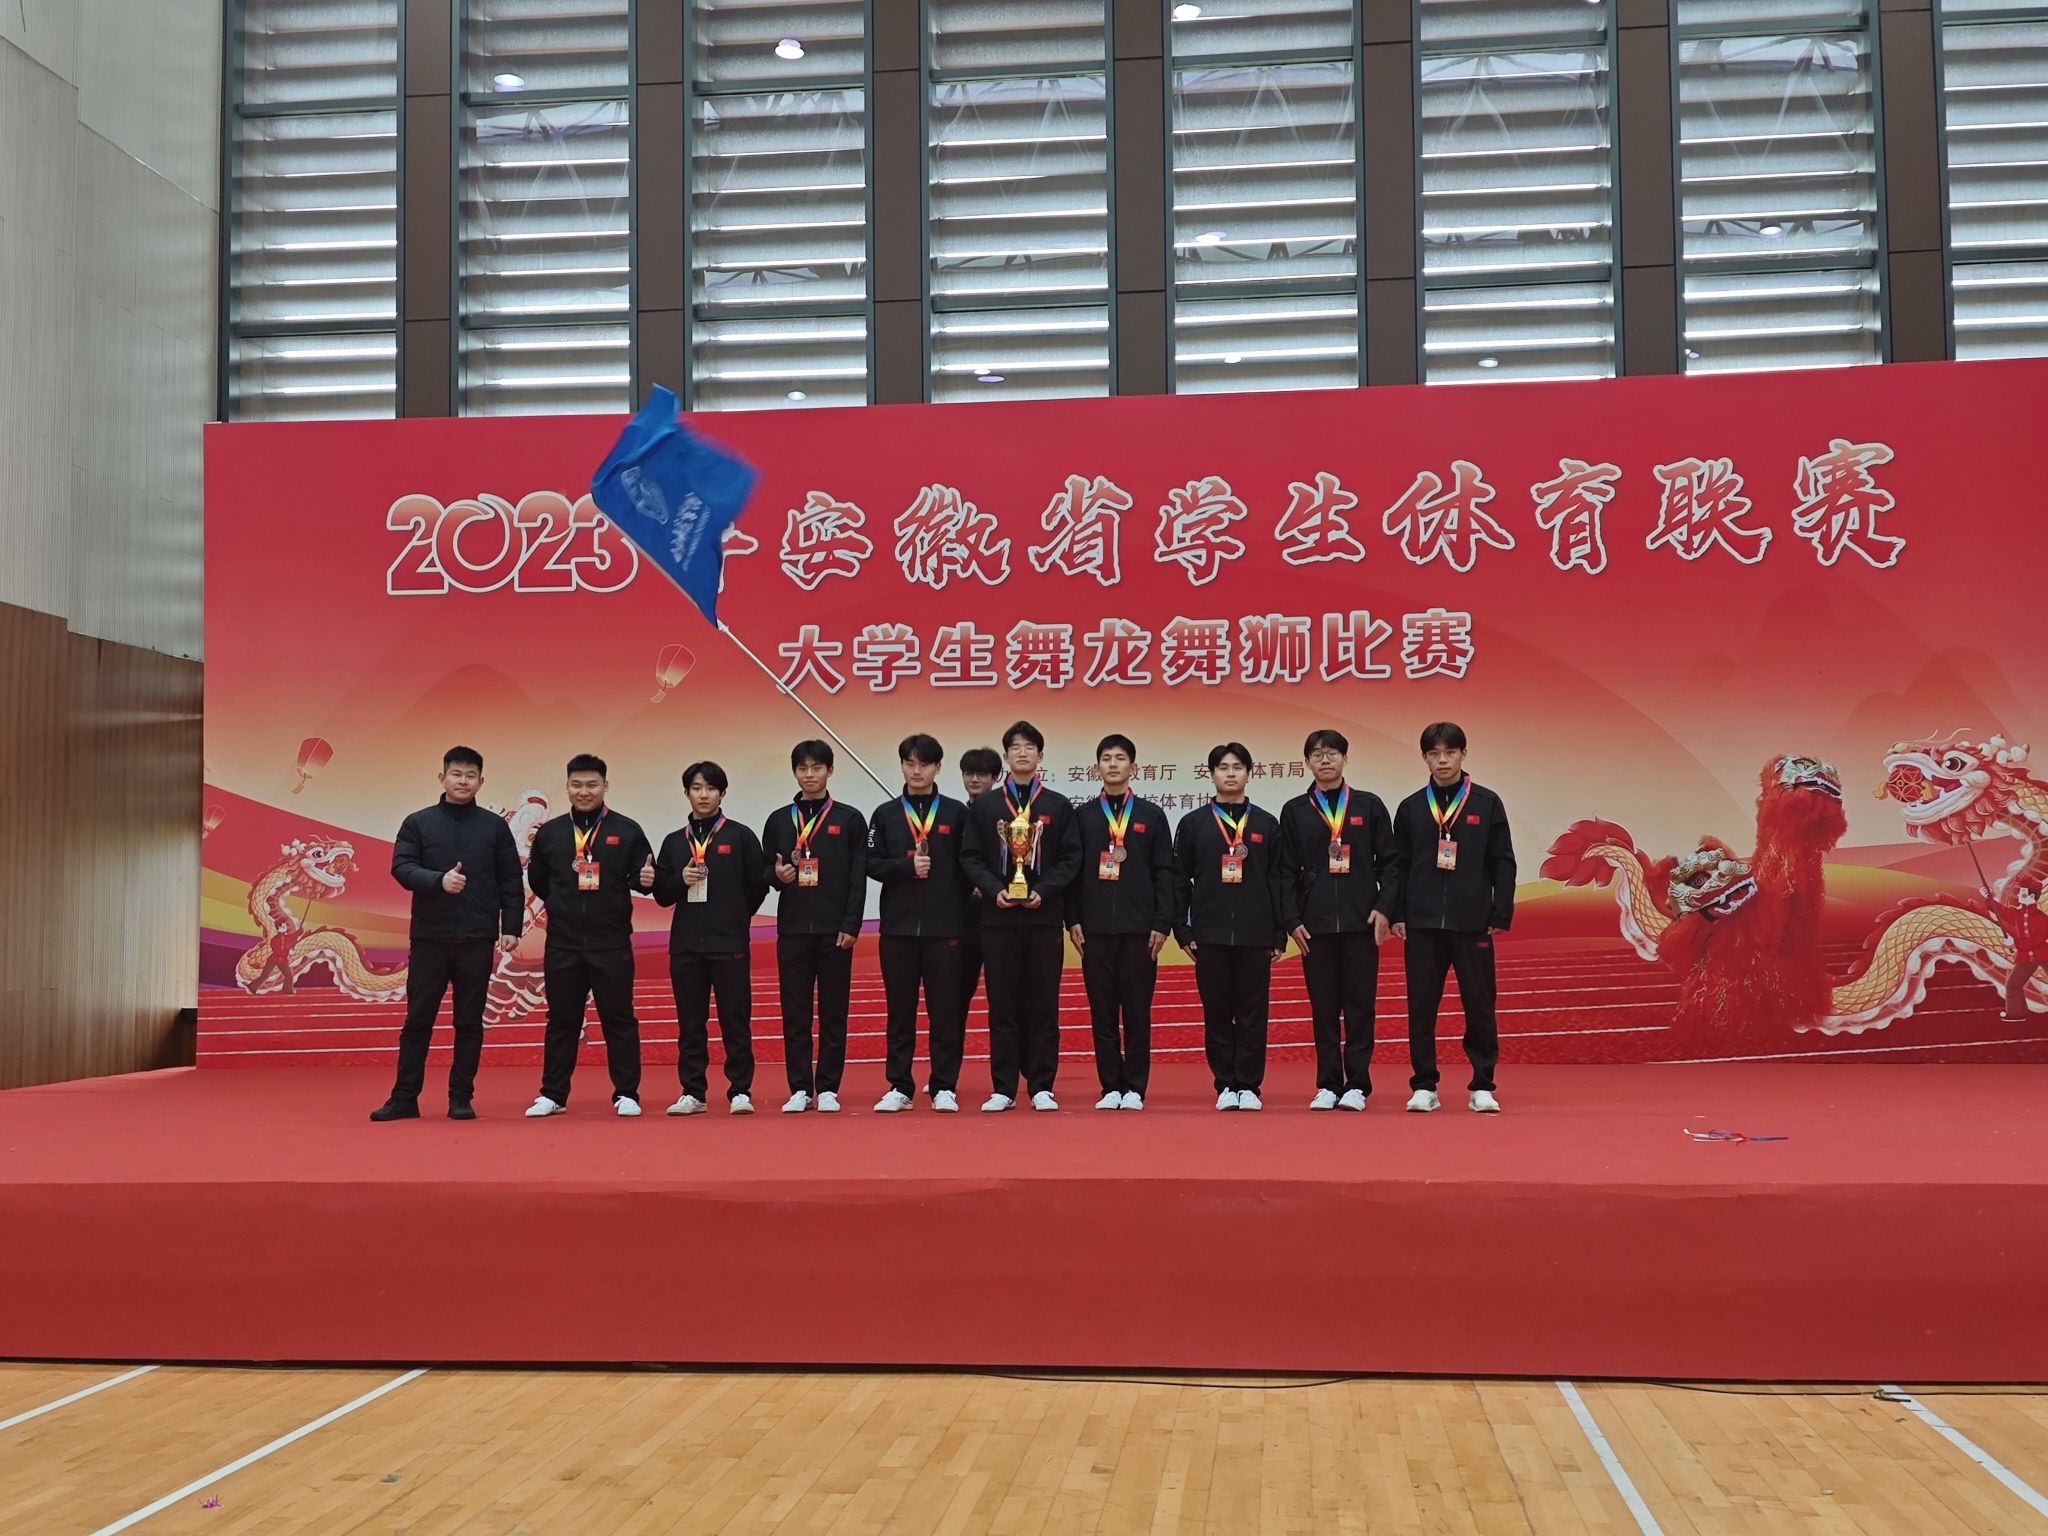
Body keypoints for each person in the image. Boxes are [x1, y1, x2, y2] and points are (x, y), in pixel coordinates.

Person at [371, 746, 523, 1121]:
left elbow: (510, 880)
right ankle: (404, 1097)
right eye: (456, 774)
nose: (463, 781)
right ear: (442, 778)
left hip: (476, 939)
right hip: (430, 938)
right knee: (418, 1020)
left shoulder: (494, 827)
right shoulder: (418, 823)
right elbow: (402, 867)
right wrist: (439, 880)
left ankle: (461, 1097)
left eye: (470, 776)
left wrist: (511, 927)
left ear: (481, 782)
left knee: (469, 1022)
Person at [1391, 722, 1516, 1114]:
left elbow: (1502, 861)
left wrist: (1500, 911)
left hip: (1472, 922)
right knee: (1421, 1007)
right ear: (1424, 757)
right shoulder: (1411, 808)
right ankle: (1424, 1085)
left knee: (1479, 1004)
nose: (1442, 760)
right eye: (1434, 753)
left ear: (1463, 754)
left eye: (1450, 752)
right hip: (1422, 924)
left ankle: (1482, 1085)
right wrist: (1397, 913)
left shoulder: (1486, 803)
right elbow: (1399, 866)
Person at [522, 754, 655, 1119]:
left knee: (619, 1018)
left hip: (611, 942)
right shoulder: (551, 833)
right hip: (563, 943)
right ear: (567, 787)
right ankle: (553, 1095)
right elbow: (539, 881)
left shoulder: (626, 830)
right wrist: (565, 906)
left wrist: (647, 880)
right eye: (577, 785)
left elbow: (643, 877)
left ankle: (626, 1093)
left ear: (605, 786)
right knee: (561, 1020)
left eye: (592, 784)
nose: (584, 791)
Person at [961, 720, 1083, 1112]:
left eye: (1030, 747)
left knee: (1044, 1003)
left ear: (1040, 756)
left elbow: (1071, 858)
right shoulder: (986, 807)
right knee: (1002, 1004)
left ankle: (1042, 1085)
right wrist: (993, 889)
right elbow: (970, 856)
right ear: (1006, 756)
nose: (1023, 753)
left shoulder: (1057, 806)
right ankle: (1004, 1087)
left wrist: (1042, 890)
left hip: (1043, 918)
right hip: (997, 919)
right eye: (1015, 747)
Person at [1281, 729, 1397, 1111]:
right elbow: (1285, 871)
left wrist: (1384, 907)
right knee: (1324, 1008)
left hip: (1361, 924)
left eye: (1332, 753)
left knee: (1360, 1007)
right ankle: (1328, 1084)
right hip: (1314, 927)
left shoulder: (1368, 806)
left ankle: (1357, 1085)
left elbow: (1391, 864)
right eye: (1317, 754)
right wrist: (1291, 919)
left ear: (1345, 759)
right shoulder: (1295, 811)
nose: (1325, 760)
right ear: (1307, 762)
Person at [1173, 743, 1293, 1111]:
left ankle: (1249, 1086)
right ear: (1211, 774)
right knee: (1217, 1012)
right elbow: (1179, 881)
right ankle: (1225, 1084)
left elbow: (1278, 880)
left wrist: (1279, 932)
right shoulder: (1193, 824)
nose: (1230, 773)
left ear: (1248, 774)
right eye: (1223, 767)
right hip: (1209, 935)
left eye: (1237, 767)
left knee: (1253, 1013)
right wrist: (1183, 930)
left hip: (1256, 935)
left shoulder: (1266, 824)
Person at [652, 762, 769, 1115]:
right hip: (685, 946)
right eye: (697, 788)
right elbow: (661, 894)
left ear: (722, 793)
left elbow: (758, 886)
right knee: (690, 1024)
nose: (704, 795)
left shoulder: (740, 836)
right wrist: (680, 880)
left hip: (729, 945)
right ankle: (693, 1092)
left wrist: (734, 917)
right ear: (686, 793)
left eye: (711, 788)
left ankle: (740, 1091)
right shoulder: (674, 842)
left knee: (735, 1021)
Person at [1066, 734, 1174, 1110]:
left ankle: (1135, 1088)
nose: (1113, 764)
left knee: (1137, 1012)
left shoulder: (1151, 815)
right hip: (1094, 931)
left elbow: (1165, 872)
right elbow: (1071, 873)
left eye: (1120, 758)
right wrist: (1072, 919)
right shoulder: (1082, 817)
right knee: (1103, 1011)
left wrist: (1162, 922)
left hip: (1140, 931)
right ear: (1096, 768)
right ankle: (1110, 1086)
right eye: (1106, 758)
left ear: (1134, 767)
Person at [866, 734, 973, 1111]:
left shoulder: (957, 813)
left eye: (924, 764)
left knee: (945, 1012)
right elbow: (871, 863)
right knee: (900, 1012)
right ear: (901, 766)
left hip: (945, 930)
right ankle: (900, 1086)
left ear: (937, 767)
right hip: (897, 929)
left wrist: (954, 907)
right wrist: (905, 866)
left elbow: (970, 866)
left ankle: (944, 1085)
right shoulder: (885, 814)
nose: (916, 771)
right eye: (909, 763)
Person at [763, 740, 869, 1113]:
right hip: (792, 930)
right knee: (795, 1013)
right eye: (803, 768)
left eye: (817, 768)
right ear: (795, 772)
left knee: (833, 1012)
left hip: (835, 931)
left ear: (830, 771)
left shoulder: (849, 819)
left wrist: (851, 923)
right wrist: (776, 876)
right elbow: (764, 870)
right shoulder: (779, 820)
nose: (810, 775)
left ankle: (827, 1088)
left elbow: (858, 877)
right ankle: (798, 1087)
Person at [957, 746, 1002, 1038]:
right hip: (963, 919)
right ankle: (948, 1065)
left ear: (995, 777)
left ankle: (1009, 1063)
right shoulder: (955, 815)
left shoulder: (1007, 816)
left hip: (999, 914)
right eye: (969, 773)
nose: (974, 779)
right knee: (956, 997)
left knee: (1004, 998)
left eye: (982, 774)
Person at [1985, 882, 2045, 1021]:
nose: (2018, 895)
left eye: (2021, 893)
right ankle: (2016, 1013)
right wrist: (1989, 897)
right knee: (2013, 985)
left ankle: (2016, 1013)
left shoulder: (2042, 918)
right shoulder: (2018, 914)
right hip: (2027, 957)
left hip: (2043, 955)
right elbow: (2001, 911)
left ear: (2031, 896)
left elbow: (2037, 941)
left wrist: (2015, 943)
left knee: (2013, 985)